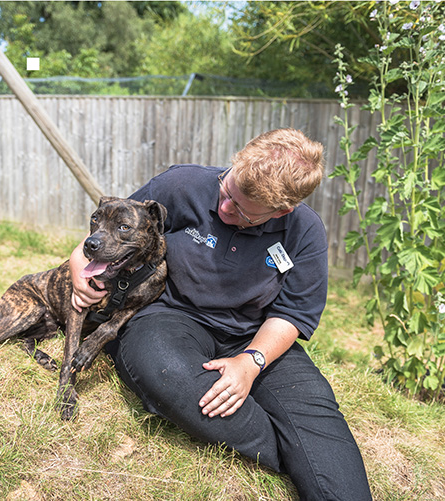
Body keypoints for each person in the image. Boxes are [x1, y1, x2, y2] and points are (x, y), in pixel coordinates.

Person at [69, 128, 371, 500]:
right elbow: (113, 222)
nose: (225, 207)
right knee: (167, 373)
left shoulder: (304, 231)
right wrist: (76, 262)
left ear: (282, 211)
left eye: (243, 211)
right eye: (227, 191)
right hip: (168, 314)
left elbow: (293, 312)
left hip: (254, 334)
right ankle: (295, 454)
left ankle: (315, 453)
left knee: (318, 420)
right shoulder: (182, 184)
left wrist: (250, 362)